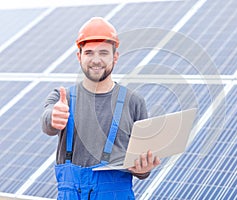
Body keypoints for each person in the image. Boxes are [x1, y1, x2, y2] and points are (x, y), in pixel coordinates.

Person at [41, 17, 160, 200]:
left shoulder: (134, 103)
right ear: (79, 56)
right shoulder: (61, 97)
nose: (96, 60)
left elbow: (143, 164)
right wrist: (53, 117)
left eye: (103, 53)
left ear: (115, 57)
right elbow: (48, 122)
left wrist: (143, 170)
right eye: (89, 52)